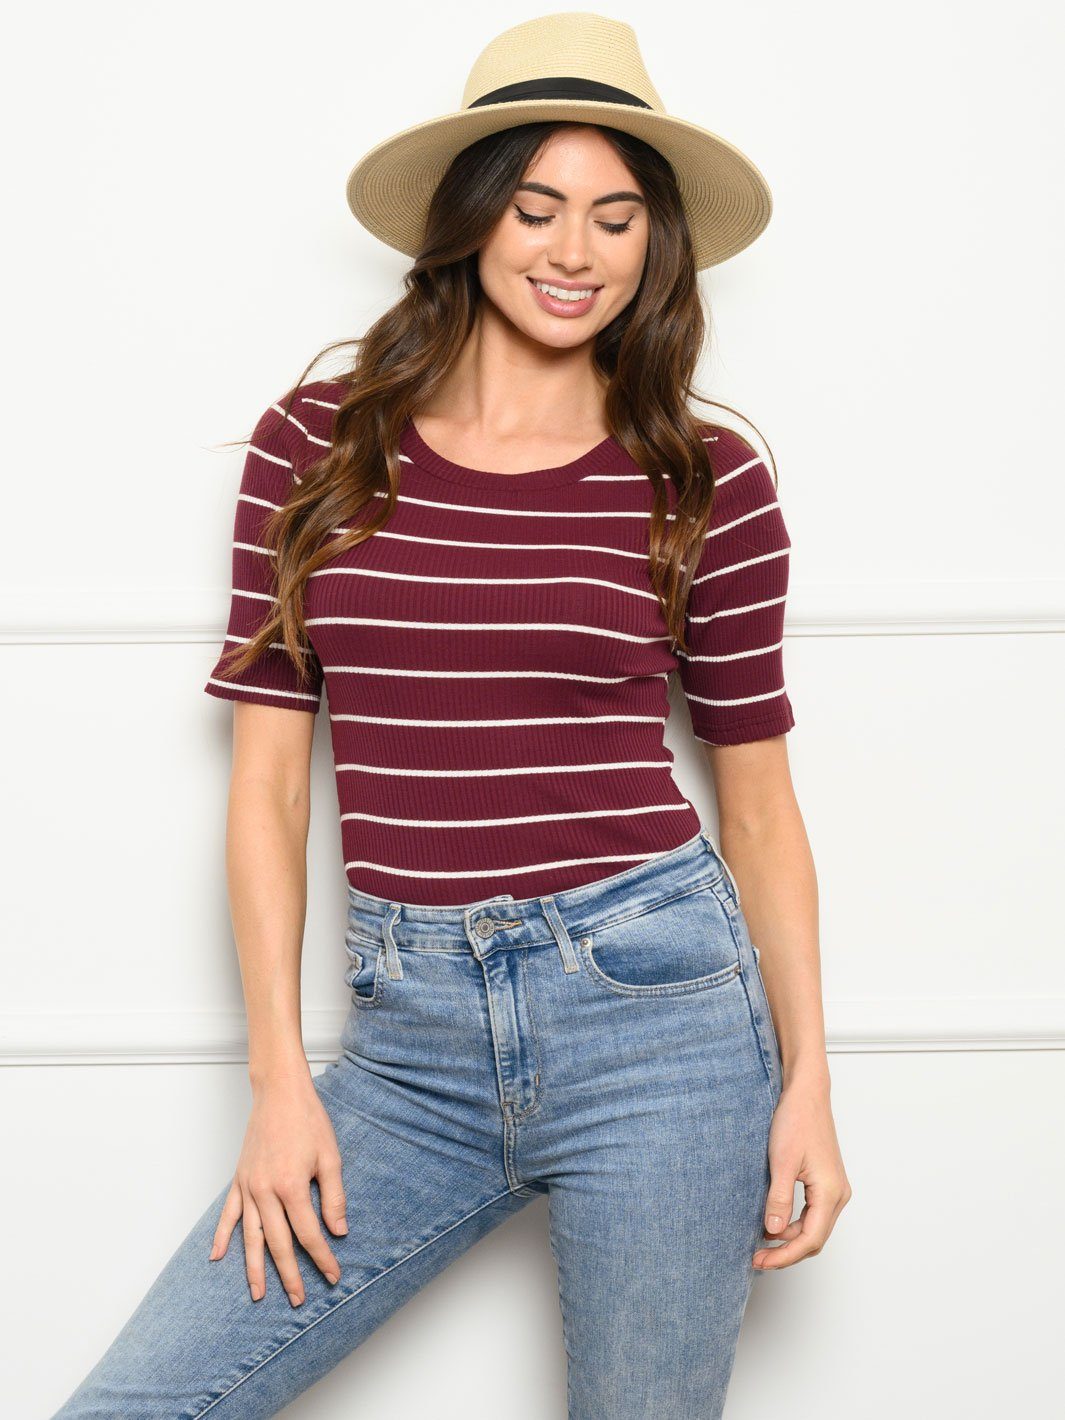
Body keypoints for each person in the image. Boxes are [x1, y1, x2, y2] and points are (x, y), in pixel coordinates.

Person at [53, 12, 850, 1419]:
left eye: (615, 217)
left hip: (659, 1025)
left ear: (656, 243)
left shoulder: (703, 475)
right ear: (470, 220)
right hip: (407, 1045)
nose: (575, 251)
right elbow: (269, 788)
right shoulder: (317, 446)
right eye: (535, 208)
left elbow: (760, 804)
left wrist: (810, 1084)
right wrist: (279, 1084)